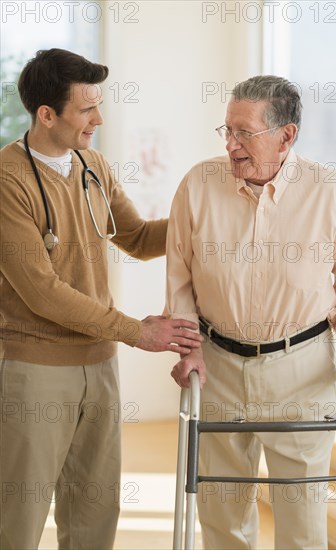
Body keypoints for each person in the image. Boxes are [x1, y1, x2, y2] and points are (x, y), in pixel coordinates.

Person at [0, 48, 202, 550]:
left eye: (99, 104)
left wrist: (202, 221)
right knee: (19, 518)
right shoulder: (7, 179)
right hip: (36, 369)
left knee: (95, 510)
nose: (99, 118)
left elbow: (134, 235)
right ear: (47, 115)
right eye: (86, 109)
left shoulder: (92, 165)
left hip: (100, 364)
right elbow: (42, 292)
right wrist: (138, 331)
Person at [165, 75, 336, 549]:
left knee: (302, 519)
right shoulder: (199, 184)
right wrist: (188, 350)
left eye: (245, 132)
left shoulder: (328, 187)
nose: (232, 144)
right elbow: (178, 277)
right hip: (217, 364)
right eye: (227, 131)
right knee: (221, 513)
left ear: (286, 136)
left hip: (300, 370)